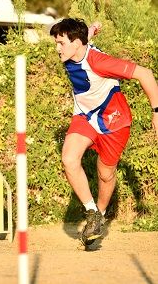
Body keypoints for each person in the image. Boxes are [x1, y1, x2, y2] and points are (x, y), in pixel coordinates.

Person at [49, 18, 158, 245]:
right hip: (85, 116)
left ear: (76, 43)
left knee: (105, 173)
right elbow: (85, 35)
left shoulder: (100, 62)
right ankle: (92, 213)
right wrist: (93, 28)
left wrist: (157, 111)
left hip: (113, 121)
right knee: (69, 159)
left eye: (60, 43)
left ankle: (100, 213)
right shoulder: (74, 49)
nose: (57, 48)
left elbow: (146, 74)